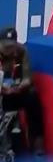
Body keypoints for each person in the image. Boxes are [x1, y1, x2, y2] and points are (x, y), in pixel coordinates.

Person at [0, 27, 45, 155]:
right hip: (2, 94)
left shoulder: (22, 51)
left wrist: (17, 88)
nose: (9, 50)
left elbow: (28, 78)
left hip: (15, 91)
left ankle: (37, 142)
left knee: (32, 97)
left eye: (11, 46)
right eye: (6, 46)